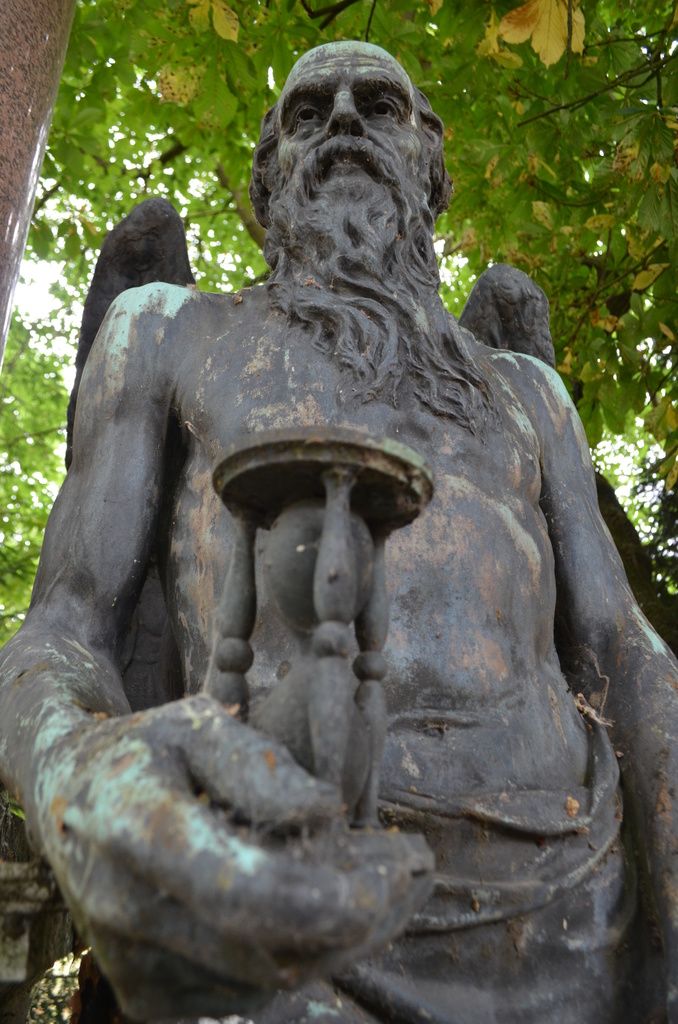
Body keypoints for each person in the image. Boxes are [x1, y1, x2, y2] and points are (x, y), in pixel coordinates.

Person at [0, 40, 677, 1024]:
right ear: (267, 175)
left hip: (578, 909)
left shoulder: (529, 391)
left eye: (380, 105)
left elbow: (620, 642)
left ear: (431, 163)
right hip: (271, 887)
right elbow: (60, 631)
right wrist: (77, 770)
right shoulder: (166, 328)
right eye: (311, 111)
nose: (346, 121)